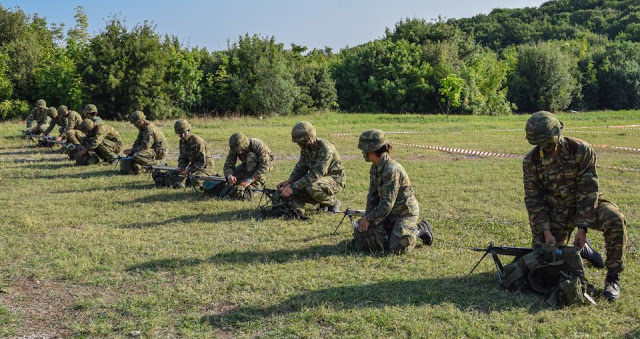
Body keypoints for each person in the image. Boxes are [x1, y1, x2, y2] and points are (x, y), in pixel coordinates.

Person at [523, 111, 627, 301]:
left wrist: (582, 228)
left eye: (549, 141)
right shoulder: (531, 161)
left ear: (558, 133)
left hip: (585, 205)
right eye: (541, 143)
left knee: (615, 219)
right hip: (556, 211)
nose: (546, 146)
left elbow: (588, 190)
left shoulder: (581, 149)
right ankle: (582, 251)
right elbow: (534, 200)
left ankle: (613, 277)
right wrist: (546, 231)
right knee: (544, 259)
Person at [352, 129, 433, 254]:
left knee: (398, 247)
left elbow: (386, 204)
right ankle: (392, 232)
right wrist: (366, 218)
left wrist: (368, 218)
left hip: (404, 213)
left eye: (364, 150)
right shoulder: (375, 167)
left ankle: (420, 229)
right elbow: (372, 197)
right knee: (362, 240)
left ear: (372, 150)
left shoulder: (392, 170)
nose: (363, 153)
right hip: (387, 214)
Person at [276, 121, 345, 217]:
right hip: (318, 179)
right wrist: (289, 182)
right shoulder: (306, 148)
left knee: (311, 187)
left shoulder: (326, 149)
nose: (299, 144)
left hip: (335, 179)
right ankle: (310, 206)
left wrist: (293, 186)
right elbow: (301, 169)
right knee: (294, 190)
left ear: (309, 138)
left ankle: (333, 203)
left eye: (301, 142)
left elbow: (316, 174)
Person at [219, 132, 274, 200]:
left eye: (241, 150)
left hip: (265, 164)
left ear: (245, 144)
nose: (239, 153)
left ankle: (257, 184)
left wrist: (249, 180)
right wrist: (230, 176)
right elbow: (228, 164)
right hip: (248, 164)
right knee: (236, 175)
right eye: (237, 151)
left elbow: (264, 166)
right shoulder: (234, 148)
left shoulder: (257, 145)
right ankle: (245, 179)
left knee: (250, 157)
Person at [173, 119, 215, 188]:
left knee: (195, 180)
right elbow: (183, 157)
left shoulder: (197, 141)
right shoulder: (182, 142)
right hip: (194, 165)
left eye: (184, 132)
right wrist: (181, 167)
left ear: (188, 130)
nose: (182, 135)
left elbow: (201, 162)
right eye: (180, 134)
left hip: (205, 166)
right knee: (174, 176)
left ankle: (211, 174)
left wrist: (188, 170)